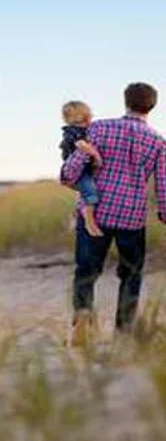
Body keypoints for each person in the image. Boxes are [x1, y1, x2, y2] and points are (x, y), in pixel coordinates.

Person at [60, 82, 166, 346]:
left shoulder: (99, 128)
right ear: (152, 107)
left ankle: (82, 319)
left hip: (96, 213)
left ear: (125, 101)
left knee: (86, 271)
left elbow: (70, 172)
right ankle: (123, 334)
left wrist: (70, 175)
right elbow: (163, 185)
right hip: (132, 217)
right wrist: (164, 214)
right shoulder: (158, 142)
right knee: (131, 274)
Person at [59, 100, 104, 237]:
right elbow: (81, 145)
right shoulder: (74, 131)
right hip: (79, 171)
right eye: (88, 115)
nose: (90, 118)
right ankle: (89, 223)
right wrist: (96, 155)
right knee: (91, 195)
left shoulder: (83, 130)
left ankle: (76, 215)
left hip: (83, 169)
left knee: (83, 194)